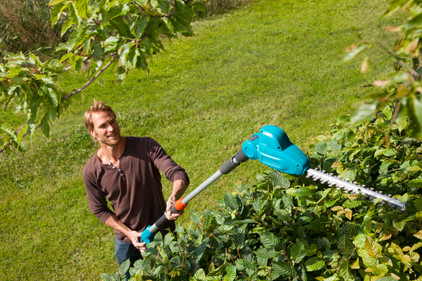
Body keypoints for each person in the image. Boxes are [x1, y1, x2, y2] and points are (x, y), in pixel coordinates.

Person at [82, 101, 189, 278]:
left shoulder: (145, 146)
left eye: (113, 121)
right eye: (103, 126)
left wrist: (174, 195)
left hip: (161, 232)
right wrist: (129, 233)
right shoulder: (92, 171)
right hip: (126, 243)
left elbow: (177, 174)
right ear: (93, 133)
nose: (111, 128)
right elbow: (98, 209)